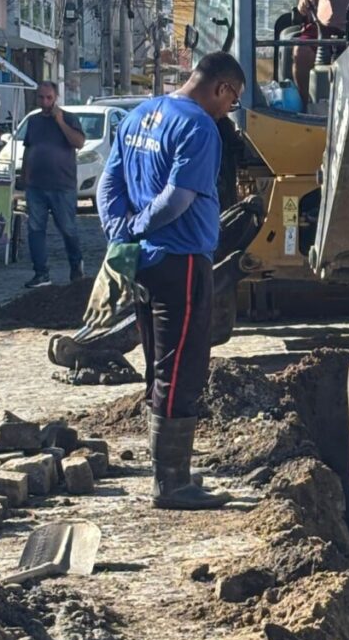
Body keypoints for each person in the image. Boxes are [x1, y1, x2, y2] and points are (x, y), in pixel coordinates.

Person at [97, 51, 244, 510]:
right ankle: (171, 483)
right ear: (221, 87)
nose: (230, 109)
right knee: (181, 366)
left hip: (145, 262)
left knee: (158, 361)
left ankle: (169, 468)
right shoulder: (198, 126)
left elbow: (108, 184)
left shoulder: (139, 115)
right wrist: (139, 226)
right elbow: (178, 198)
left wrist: (120, 232)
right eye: (234, 100)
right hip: (181, 259)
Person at [22, 81, 86, 288]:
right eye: (41, 97)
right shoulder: (33, 121)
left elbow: (78, 142)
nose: (45, 102)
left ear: (56, 97)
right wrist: (25, 176)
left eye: (49, 97)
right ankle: (41, 273)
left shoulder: (69, 118)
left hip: (62, 185)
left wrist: (60, 122)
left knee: (68, 229)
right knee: (35, 229)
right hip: (36, 186)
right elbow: (29, 148)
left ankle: (76, 266)